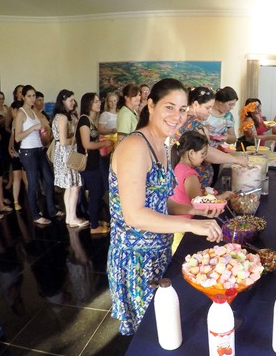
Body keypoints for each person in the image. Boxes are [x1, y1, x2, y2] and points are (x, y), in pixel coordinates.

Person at [108, 78, 222, 335]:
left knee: (164, 328)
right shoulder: (135, 147)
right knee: (148, 336)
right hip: (137, 259)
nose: (177, 116)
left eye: (182, 109)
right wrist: (192, 226)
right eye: (169, 107)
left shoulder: (162, 144)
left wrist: (196, 210)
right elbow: (135, 215)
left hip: (158, 250)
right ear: (151, 105)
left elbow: (160, 203)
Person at [179, 86, 246, 188]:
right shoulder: (194, 124)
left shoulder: (185, 119)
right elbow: (207, 153)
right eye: (207, 107)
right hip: (192, 181)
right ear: (196, 104)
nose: (210, 111)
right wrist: (236, 160)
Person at [14, 85, 60, 225]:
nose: (32, 99)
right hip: (28, 152)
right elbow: (17, 137)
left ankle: (52, 209)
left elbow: (38, 132)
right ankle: (35, 214)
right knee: (33, 183)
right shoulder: (21, 113)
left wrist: (43, 133)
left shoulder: (34, 112)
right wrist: (33, 128)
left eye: (34, 96)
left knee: (49, 178)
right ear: (23, 97)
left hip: (39, 149)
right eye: (29, 96)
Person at [170, 129, 233, 217]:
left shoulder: (178, 166)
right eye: (202, 154)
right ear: (192, 153)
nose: (204, 158)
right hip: (186, 221)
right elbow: (199, 203)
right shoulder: (189, 174)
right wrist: (223, 196)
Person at [76, 93, 114, 235]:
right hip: (87, 165)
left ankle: (95, 220)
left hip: (94, 162)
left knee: (99, 191)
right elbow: (86, 144)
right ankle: (93, 226)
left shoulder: (91, 120)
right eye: (96, 101)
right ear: (88, 104)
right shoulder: (84, 121)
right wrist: (103, 143)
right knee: (96, 193)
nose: (99, 103)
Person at [51, 89, 87, 228]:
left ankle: (70, 216)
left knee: (70, 187)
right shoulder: (62, 117)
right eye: (71, 100)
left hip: (66, 153)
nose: (73, 103)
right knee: (74, 186)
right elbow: (64, 140)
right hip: (66, 153)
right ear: (63, 101)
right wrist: (76, 138)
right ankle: (72, 217)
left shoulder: (66, 116)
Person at [7, 99, 27, 210]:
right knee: (24, 177)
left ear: (15, 110)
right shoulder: (19, 119)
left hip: (19, 151)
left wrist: (10, 147)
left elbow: (13, 136)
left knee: (18, 177)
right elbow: (13, 135)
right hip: (20, 151)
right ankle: (29, 200)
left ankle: (16, 202)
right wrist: (9, 147)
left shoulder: (17, 119)